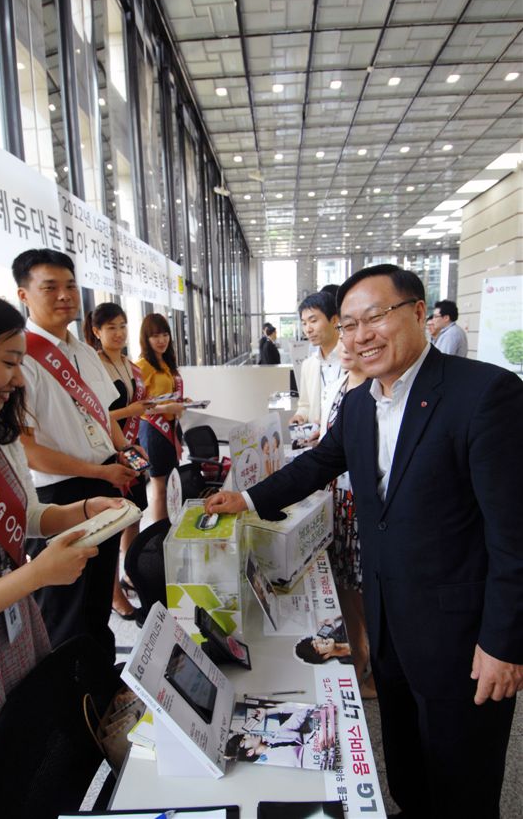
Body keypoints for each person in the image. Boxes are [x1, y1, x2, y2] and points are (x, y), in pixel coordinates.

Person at [206, 264, 523, 819]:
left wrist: (505, 643)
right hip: (388, 620)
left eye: (375, 317)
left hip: (462, 635)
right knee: (406, 757)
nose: (360, 335)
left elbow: (514, 533)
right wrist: (248, 500)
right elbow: (321, 463)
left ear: (419, 313)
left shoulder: (484, 394)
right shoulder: (358, 403)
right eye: (348, 324)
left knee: (463, 776)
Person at [0, 289, 121, 769]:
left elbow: (26, 513)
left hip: (14, 631)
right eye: (9, 362)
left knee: (29, 753)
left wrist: (79, 509)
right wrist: (37, 576)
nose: (19, 379)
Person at [11, 248, 139, 659]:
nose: (65, 295)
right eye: (50, 287)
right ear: (24, 295)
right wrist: (99, 473)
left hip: (104, 476)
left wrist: (123, 452)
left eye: (70, 286)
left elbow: (103, 415)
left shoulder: (83, 350)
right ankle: (69, 697)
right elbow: (28, 450)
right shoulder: (21, 358)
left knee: (98, 591)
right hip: (61, 495)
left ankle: (98, 677)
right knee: (66, 603)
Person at [84, 303, 170, 622]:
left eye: (123, 326)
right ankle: (114, 594)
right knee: (111, 525)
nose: (119, 333)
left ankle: (131, 572)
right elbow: (92, 415)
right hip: (106, 452)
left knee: (134, 515)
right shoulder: (94, 365)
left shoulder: (128, 364)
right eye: (111, 328)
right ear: (96, 331)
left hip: (129, 447)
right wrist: (131, 413)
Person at [320, 340, 376, 699]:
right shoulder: (343, 381)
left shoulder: (373, 390)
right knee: (346, 590)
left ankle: (377, 672)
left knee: (366, 594)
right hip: (339, 499)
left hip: (360, 503)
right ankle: (357, 657)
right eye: (343, 331)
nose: (345, 343)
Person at [136, 313, 185, 522]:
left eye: (165, 334)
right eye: (155, 335)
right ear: (146, 339)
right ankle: (158, 538)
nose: (162, 340)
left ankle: (170, 530)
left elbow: (162, 396)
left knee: (172, 485)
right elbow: (137, 407)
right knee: (160, 488)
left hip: (172, 428)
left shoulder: (166, 363)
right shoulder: (142, 366)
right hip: (154, 431)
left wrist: (181, 401)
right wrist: (168, 406)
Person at [289, 291, 343, 431]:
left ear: (334, 320)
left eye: (313, 321)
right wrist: (300, 416)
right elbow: (305, 405)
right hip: (317, 443)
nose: (308, 329)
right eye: (304, 323)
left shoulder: (352, 359)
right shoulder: (308, 365)